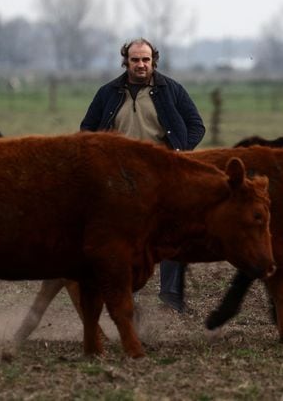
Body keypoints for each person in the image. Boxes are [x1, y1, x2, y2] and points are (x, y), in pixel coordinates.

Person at [80, 37, 205, 313]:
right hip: (119, 178)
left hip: (162, 174)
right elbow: (87, 130)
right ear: (126, 61)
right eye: (135, 59)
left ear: (154, 61)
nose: (140, 64)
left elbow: (197, 125)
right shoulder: (108, 93)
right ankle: (125, 295)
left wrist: (181, 151)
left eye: (145, 60)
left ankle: (171, 296)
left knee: (172, 234)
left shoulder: (172, 90)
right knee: (122, 240)